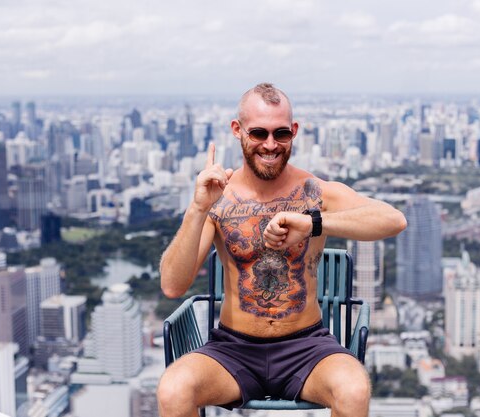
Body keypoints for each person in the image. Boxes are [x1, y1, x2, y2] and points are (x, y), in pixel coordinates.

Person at [157, 83, 407, 417]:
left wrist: (313, 224)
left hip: (306, 346)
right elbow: (173, 284)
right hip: (234, 348)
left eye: (281, 134)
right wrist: (197, 208)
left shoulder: (314, 193)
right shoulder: (220, 201)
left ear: (295, 132)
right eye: (259, 133)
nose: (271, 145)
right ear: (237, 130)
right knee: (173, 390)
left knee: (354, 389)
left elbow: (393, 220)